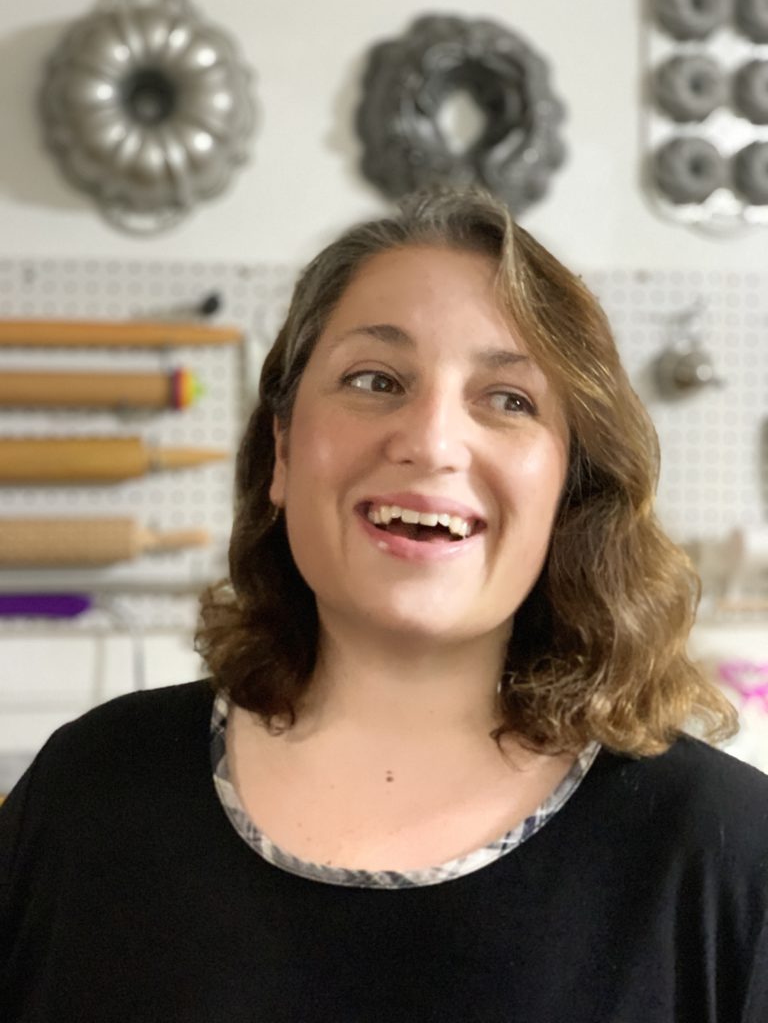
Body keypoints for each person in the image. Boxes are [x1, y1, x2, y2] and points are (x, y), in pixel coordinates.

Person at [1, 188, 767, 1022]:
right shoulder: (92, 791)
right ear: (285, 450)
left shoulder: (720, 852)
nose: (432, 441)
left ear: (569, 486)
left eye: (509, 399)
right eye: (376, 380)